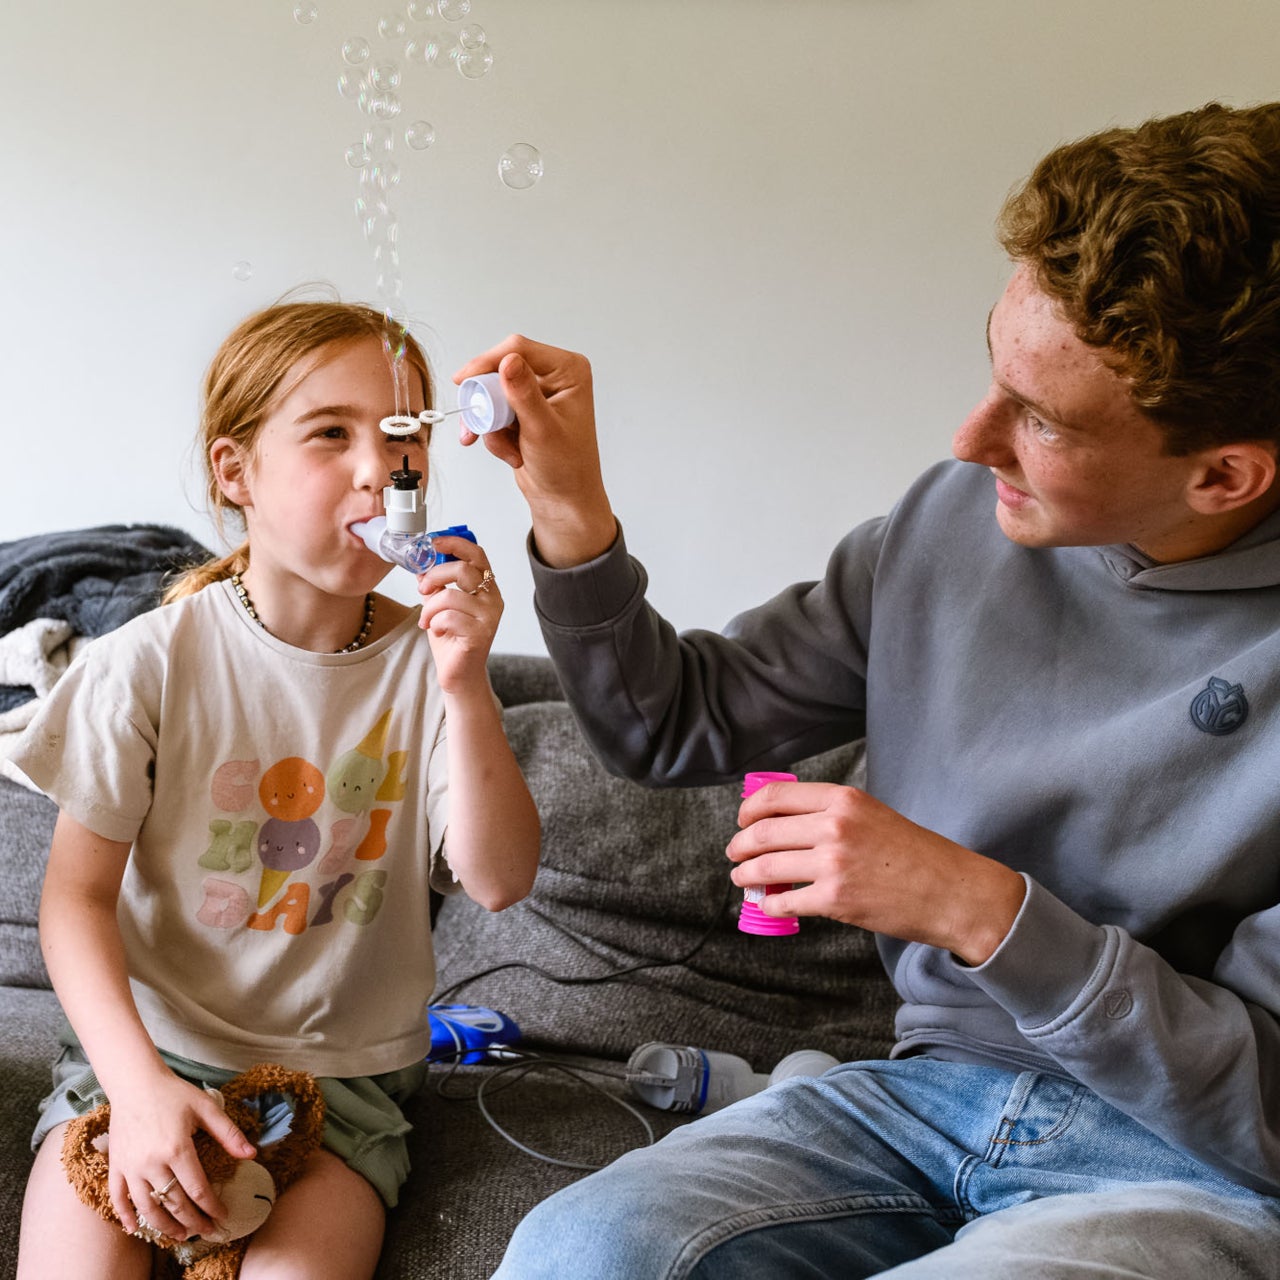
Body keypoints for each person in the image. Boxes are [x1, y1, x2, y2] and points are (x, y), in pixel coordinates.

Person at [457, 101, 1280, 1277]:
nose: (967, 437)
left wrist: (979, 910)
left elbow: (1264, 1103)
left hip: (1186, 1165)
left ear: (1222, 473)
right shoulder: (952, 524)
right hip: (917, 1097)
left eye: (1037, 419)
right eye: (991, 369)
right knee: (576, 1248)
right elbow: (672, 722)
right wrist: (571, 514)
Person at [11, 300, 541, 1280]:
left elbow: (499, 877)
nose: (375, 466)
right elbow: (73, 902)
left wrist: (465, 680)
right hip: (140, 1064)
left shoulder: (429, 668)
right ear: (234, 471)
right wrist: (135, 1090)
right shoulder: (150, 665)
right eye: (329, 433)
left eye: (397, 438)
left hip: (340, 1093)